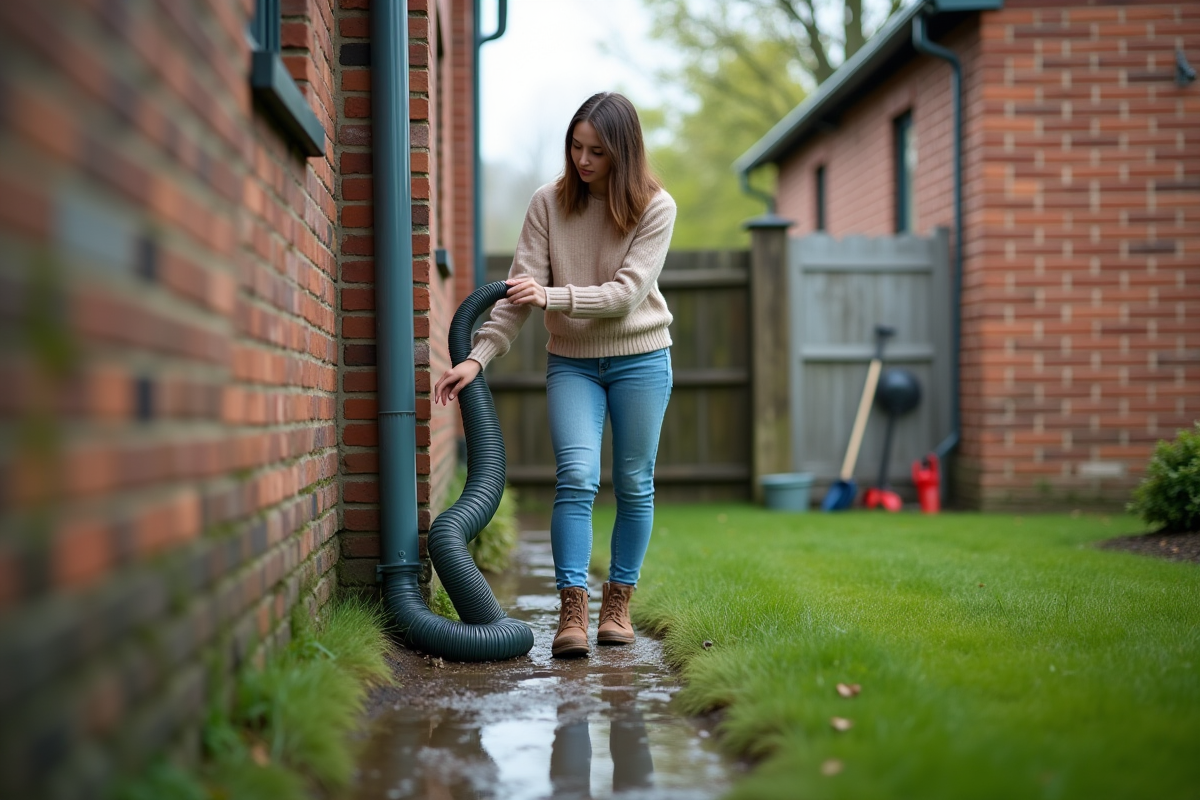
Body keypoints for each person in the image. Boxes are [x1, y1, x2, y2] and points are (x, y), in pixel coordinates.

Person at [434, 92, 676, 659]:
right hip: (572, 361)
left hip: (642, 357)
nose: (583, 160)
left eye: (597, 151)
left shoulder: (655, 207)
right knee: (576, 476)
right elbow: (519, 292)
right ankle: (573, 607)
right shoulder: (548, 203)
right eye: (576, 146)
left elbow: (625, 296)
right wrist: (478, 355)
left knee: (635, 482)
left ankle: (618, 603)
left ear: (623, 153)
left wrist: (554, 295)